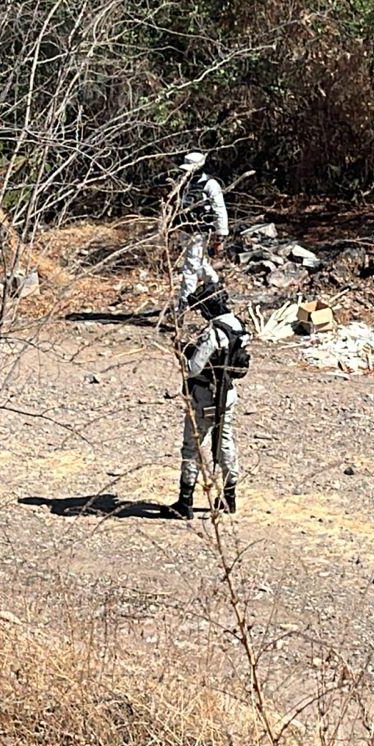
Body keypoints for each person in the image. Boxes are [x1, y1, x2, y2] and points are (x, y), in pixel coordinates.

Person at [171, 283, 250, 519]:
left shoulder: (214, 333)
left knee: (193, 445)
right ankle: (229, 496)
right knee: (225, 441)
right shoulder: (238, 326)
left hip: (206, 395)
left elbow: (193, 369)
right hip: (227, 394)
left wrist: (181, 351)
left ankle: (185, 502)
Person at [175, 151, 228, 314]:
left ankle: (183, 302)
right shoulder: (184, 183)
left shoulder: (210, 185)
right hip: (186, 229)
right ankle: (215, 282)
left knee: (190, 267)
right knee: (198, 263)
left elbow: (220, 210)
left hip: (200, 232)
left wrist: (221, 237)